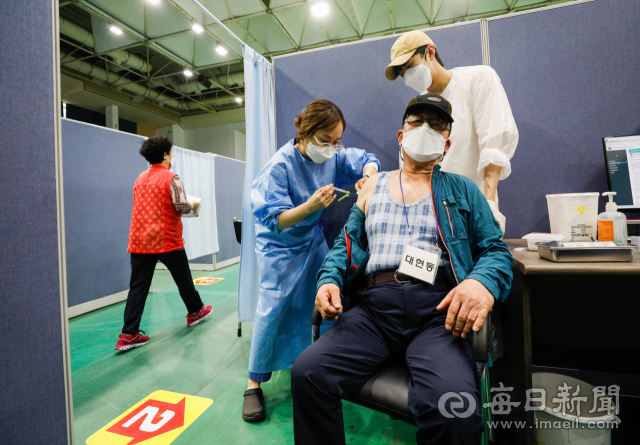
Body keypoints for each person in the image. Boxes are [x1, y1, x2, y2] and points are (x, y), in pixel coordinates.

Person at [291, 94, 513, 445]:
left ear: (447, 142)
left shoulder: (463, 190)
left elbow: (496, 250)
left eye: (437, 124)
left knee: (452, 411)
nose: (426, 129)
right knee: (307, 373)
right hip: (372, 312)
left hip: (439, 314)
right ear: (400, 135)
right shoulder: (372, 186)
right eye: (416, 121)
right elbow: (346, 244)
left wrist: (481, 283)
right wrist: (329, 280)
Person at [243, 100, 381, 422]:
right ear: (306, 132)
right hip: (279, 246)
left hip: (312, 242)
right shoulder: (280, 165)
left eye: (337, 141)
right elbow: (274, 219)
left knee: (321, 304)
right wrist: (311, 205)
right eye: (325, 140)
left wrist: (368, 177)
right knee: (273, 310)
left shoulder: (331, 155)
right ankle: (253, 384)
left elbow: (365, 159)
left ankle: (312, 368)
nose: (332, 148)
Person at [385, 30, 519, 234]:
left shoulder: (478, 79)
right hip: (430, 219)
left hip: (473, 211)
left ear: (430, 52)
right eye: (403, 74)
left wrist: (488, 204)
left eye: (409, 67)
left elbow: (493, 145)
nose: (407, 77)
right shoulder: (418, 108)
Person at [114, 136, 213, 351]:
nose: (173, 156)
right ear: (166, 155)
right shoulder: (171, 177)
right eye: (172, 152)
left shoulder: (139, 178)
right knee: (184, 280)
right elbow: (181, 207)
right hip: (166, 239)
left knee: (138, 288)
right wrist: (193, 205)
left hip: (140, 240)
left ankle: (128, 334)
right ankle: (195, 312)